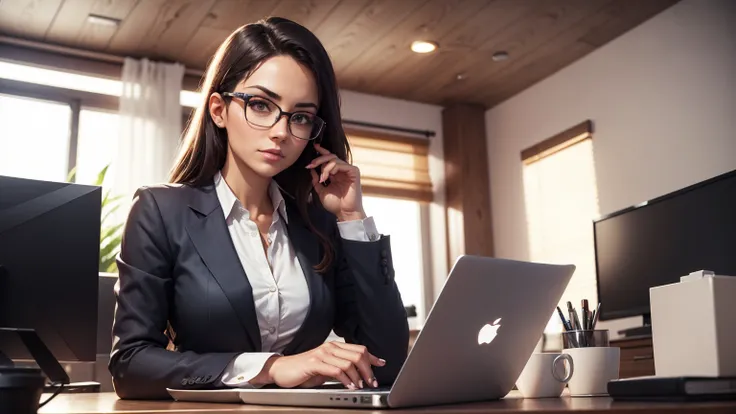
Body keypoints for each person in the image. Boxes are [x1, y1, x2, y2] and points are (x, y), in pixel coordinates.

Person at [108, 17, 409, 400]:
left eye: (300, 116)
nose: (281, 131)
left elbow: (388, 360)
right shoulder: (161, 211)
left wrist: (351, 218)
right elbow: (131, 364)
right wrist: (269, 368)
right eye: (261, 105)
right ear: (219, 110)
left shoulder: (318, 225)